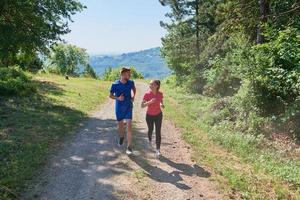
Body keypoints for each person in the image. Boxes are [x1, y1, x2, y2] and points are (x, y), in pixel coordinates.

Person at [109, 67, 136, 155]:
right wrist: (118, 98)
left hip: (128, 107)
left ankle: (129, 147)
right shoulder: (115, 84)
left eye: (129, 74)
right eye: (128, 74)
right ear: (123, 74)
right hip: (119, 108)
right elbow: (110, 95)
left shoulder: (131, 83)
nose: (130, 75)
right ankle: (121, 137)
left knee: (129, 127)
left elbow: (134, 89)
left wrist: (133, 97)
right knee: (120, 126)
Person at [141, 80, 164, 156]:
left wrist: (161, 105)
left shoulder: (160, 94)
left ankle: (158, 150)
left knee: (158, 131)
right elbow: (142, 105)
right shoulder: (147, 94)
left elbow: (161, 101)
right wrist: (150, 102)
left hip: (158, 115)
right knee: (150, 130)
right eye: (150, 84)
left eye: (152, 84)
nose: (150, 85)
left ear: (157, 86)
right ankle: (150, 140)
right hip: (149, 116)